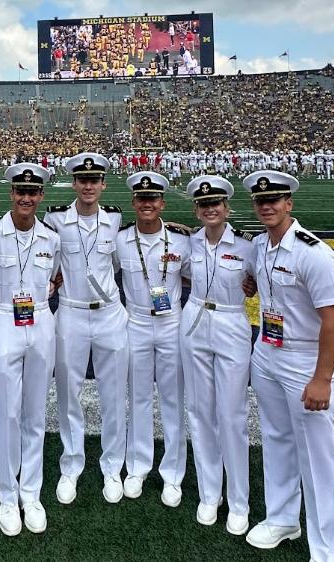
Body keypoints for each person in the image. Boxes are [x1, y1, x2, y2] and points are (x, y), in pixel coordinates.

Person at [240, 170, 334, 561]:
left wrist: (321, 378)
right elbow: (255, 281)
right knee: (276, 439)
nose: (267, 206)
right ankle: (283, 518)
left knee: (317, 457)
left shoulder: (312, 252)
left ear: (290, 203)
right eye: (260, 201)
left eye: (275, 200)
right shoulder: (259, 246)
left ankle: (329, 551)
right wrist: (249, 285)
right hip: (267, 351)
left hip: (305, 359)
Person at [0, 163, 60, 536]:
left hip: (40, 321)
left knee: (35, 414)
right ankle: (7, 496)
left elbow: (55, 278)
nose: (26, 197)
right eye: (20, 191)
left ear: (41, 196)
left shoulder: (51, 239)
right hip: (4, 321)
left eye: (33, 192)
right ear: (11, 194)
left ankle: (31, 493)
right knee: (6, 414)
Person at [43, 153, 129, 505]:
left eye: (95, 180)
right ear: (74, 183)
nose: (89, 185)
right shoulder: (55, 220)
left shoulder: (115, 219)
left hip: (109, 314)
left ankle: (112, 466)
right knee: (68, 394)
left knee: (113, 394)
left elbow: (122, 265)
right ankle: (72, 464)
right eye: (83, 180)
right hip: (71, 314)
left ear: (103, 184)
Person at [179, 175, 256, 535]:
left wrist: (251, 288)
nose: (210, 210)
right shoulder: (188, 243)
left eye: (216, 204)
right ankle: (211, 493)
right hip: (193, 319)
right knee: (199, 411)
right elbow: (174, 273)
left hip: (230, 323)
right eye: (203, 205)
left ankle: (239, 501)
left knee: (232, 415)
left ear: (226, 208)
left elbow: (259, 283)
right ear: (196, 209)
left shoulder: (247, 247)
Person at [115, 171, 191, 506]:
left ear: (162, 202)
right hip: (136, 322)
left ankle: (173, 475)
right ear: (134, 202)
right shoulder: (120, 240)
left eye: (153, 199)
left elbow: (197, 276)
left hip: (171, 323)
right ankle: (137, 467)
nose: (147, 204)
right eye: (141, 199)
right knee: (139, 396)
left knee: (174, 399)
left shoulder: (181, 240)